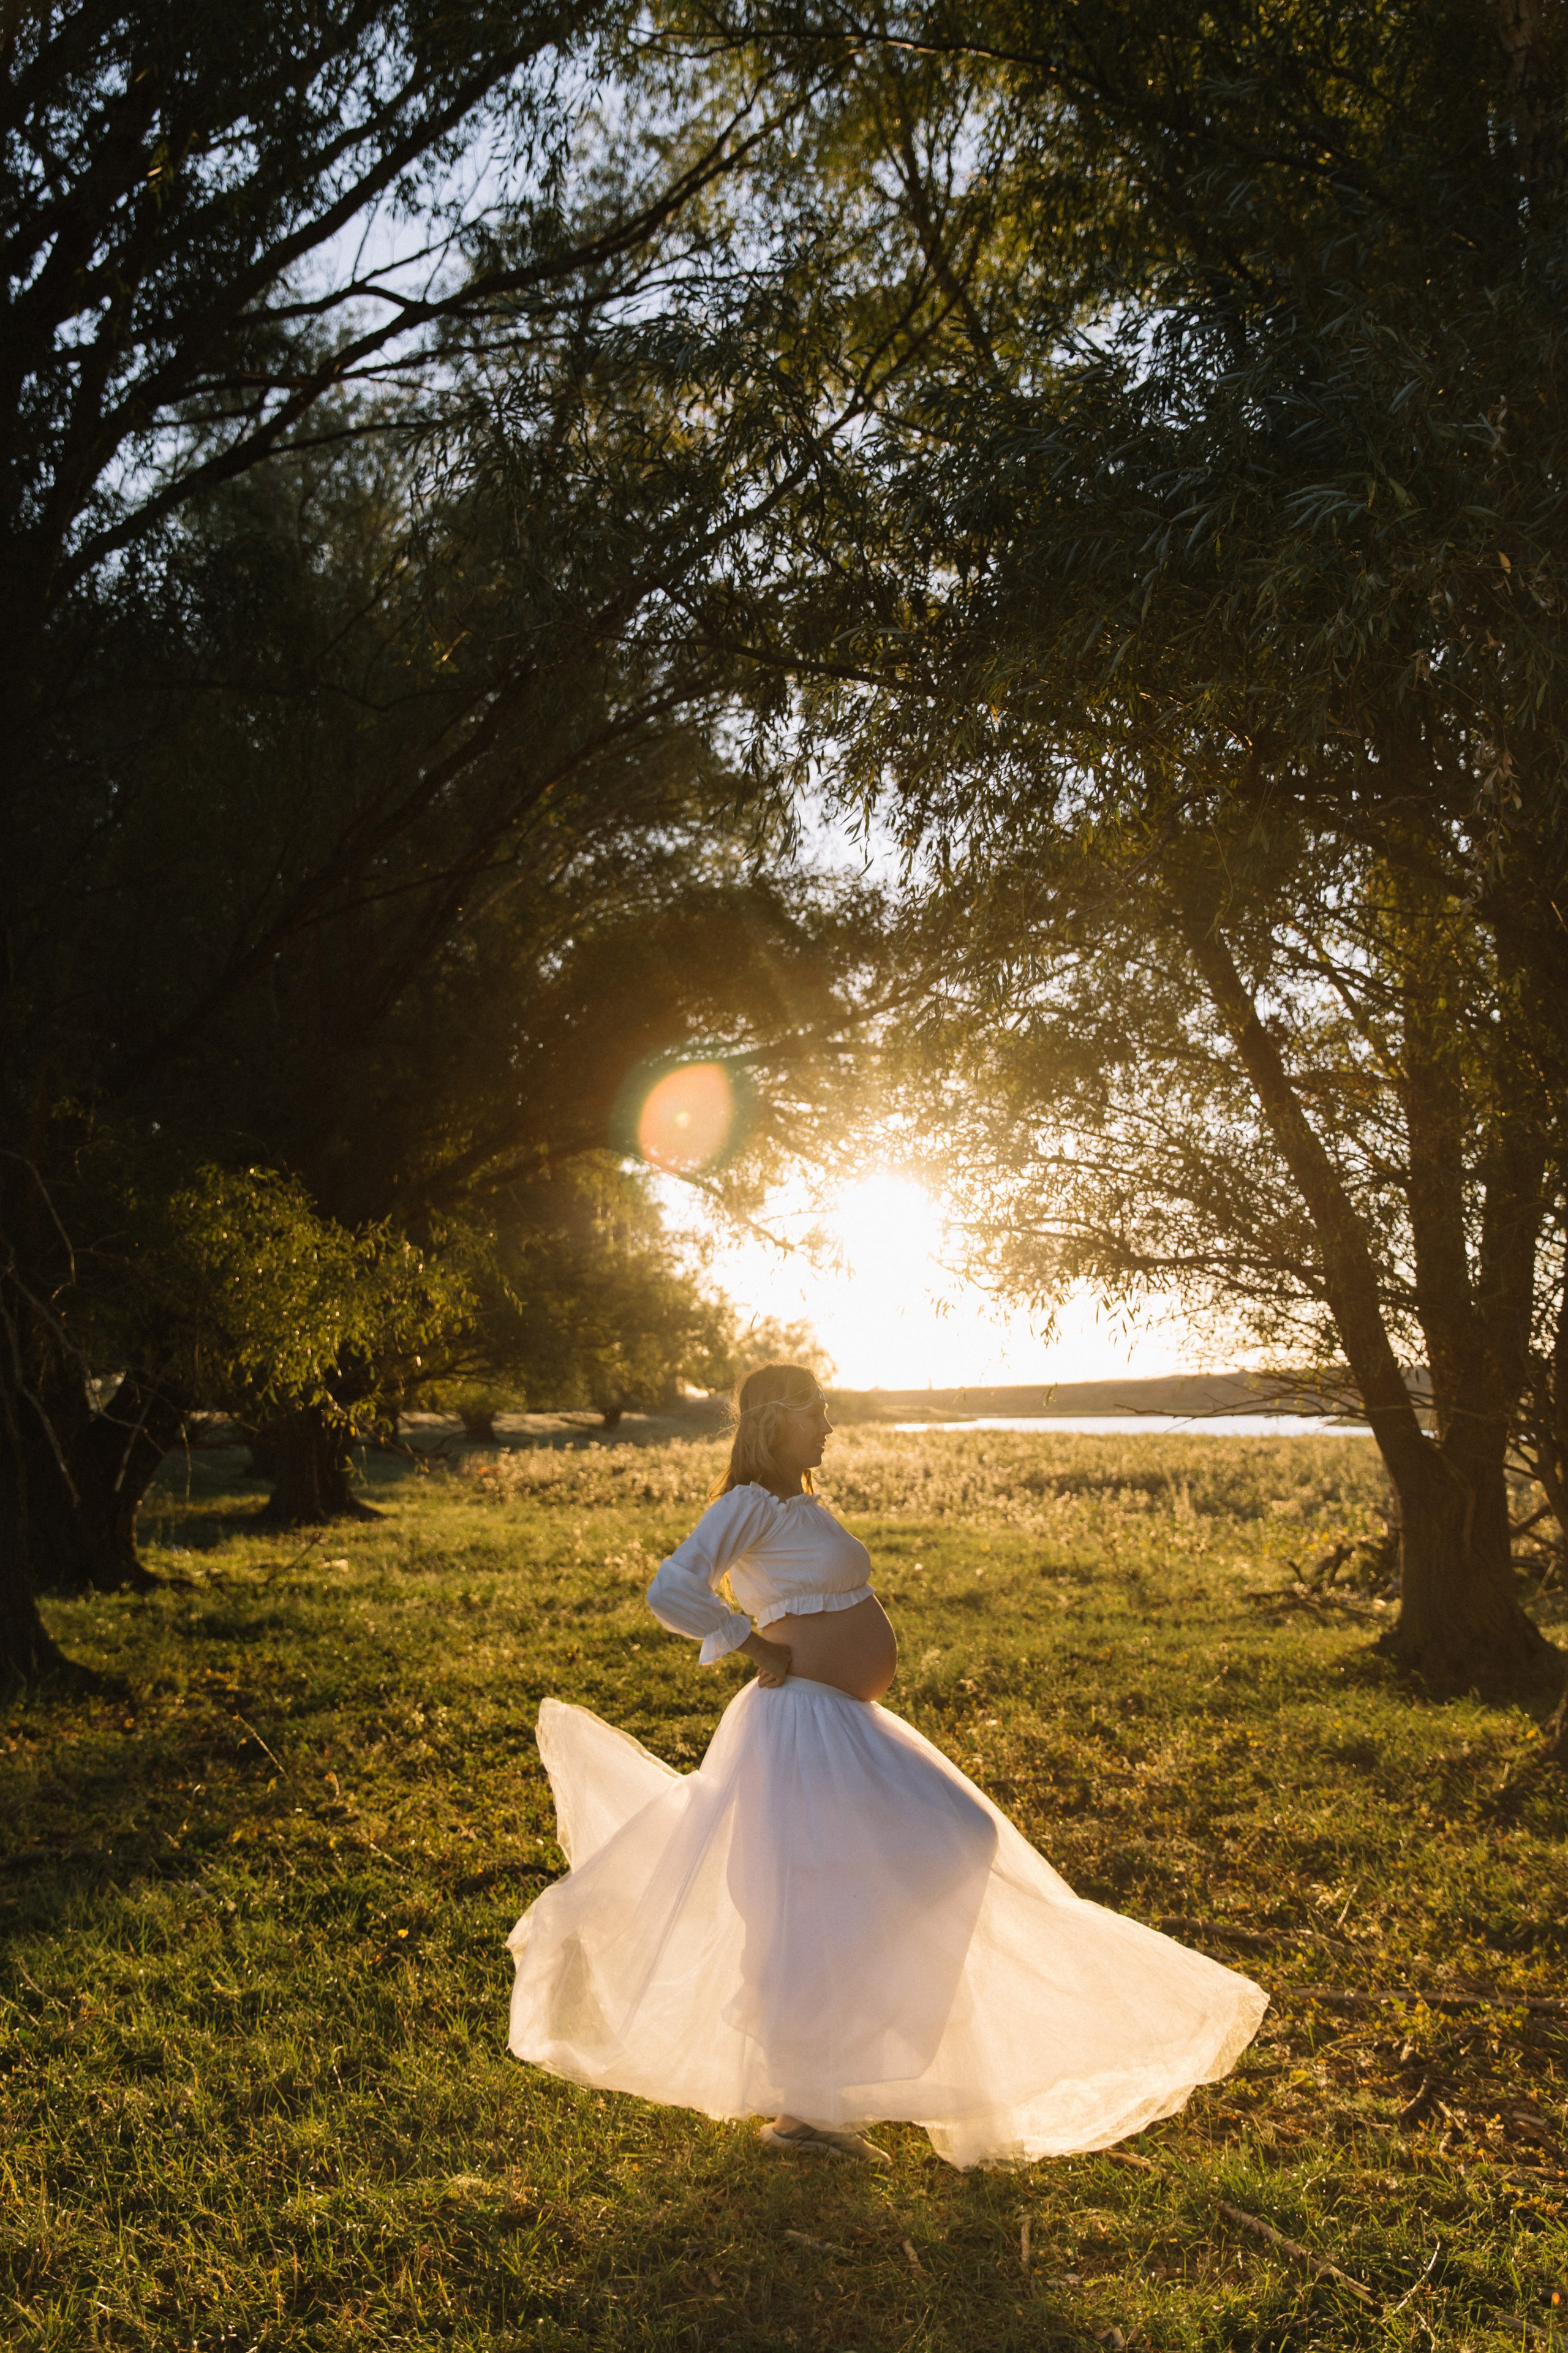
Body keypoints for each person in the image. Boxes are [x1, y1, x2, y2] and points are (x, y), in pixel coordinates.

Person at [506, 1362, 1267, 2168]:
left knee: (944, 1846)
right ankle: (807, 2112)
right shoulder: (748, 1504)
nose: (829, 1425)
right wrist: (753, 1642)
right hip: (800, 1722)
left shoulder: (798, 1503)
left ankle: (841, 2075)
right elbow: (671, 1587)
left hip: (842, 1719)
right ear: (776, 1422)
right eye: (817, 1412)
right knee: (821, 1894)